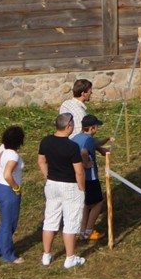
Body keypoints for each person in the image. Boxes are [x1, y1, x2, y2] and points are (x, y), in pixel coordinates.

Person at [38, 112, 87, 270]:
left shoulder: (46, 141)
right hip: (70, 186)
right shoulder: (72, 147)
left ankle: (46, 255)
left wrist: (48, 175)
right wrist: (82, 187)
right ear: (68, 126)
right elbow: (79, 171)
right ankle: (70, 257)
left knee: (50, 219)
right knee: (71, 222)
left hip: (52, 184)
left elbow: (41, 160)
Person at [0, 125, 26, 263]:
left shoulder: (1, 149)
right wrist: (16, 188)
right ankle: (8, 254)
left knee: (5, 221)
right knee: (10, 223)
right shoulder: (13, 156)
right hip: (8, 190)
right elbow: (8, 175)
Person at [74, 113, 110, 243]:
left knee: (86, 204)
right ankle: (89, 230)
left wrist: (106, 140)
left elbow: (95, 144)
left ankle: (82, 231)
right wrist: (86, 163)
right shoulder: (88, 140)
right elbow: (85, 151)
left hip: (78, 177)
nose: (97, 129)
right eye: (96, 127)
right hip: (90, 177)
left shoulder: (77, 137)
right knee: (98, 202)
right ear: (92, 128)